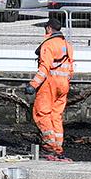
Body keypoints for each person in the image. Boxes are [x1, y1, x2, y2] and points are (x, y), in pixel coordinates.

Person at [30, 12, 74, 160]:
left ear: (49, 29)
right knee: (56, 115)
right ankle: (58, 146)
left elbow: (44, 68)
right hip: (64, 85)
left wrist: (33, 84)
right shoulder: (67, 46)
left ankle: (49, 146)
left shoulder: (48, 45)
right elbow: (70, 69)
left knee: (42, 113)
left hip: (49, 84)